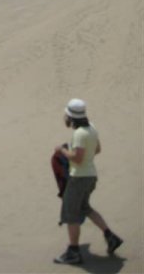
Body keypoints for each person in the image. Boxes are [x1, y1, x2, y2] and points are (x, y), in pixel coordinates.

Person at [53, 98, 123, 265]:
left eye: (66, 115)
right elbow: (97, 149)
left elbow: (77, 158)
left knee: (71, 215)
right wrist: (82, 155)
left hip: (78, 178)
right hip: (90, 176)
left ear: (71, 117)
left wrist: (62, 150)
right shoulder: (91, 128)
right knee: (84, 208)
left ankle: (74, 252)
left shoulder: (79, 134)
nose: (65, 117)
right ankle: (110, 236)